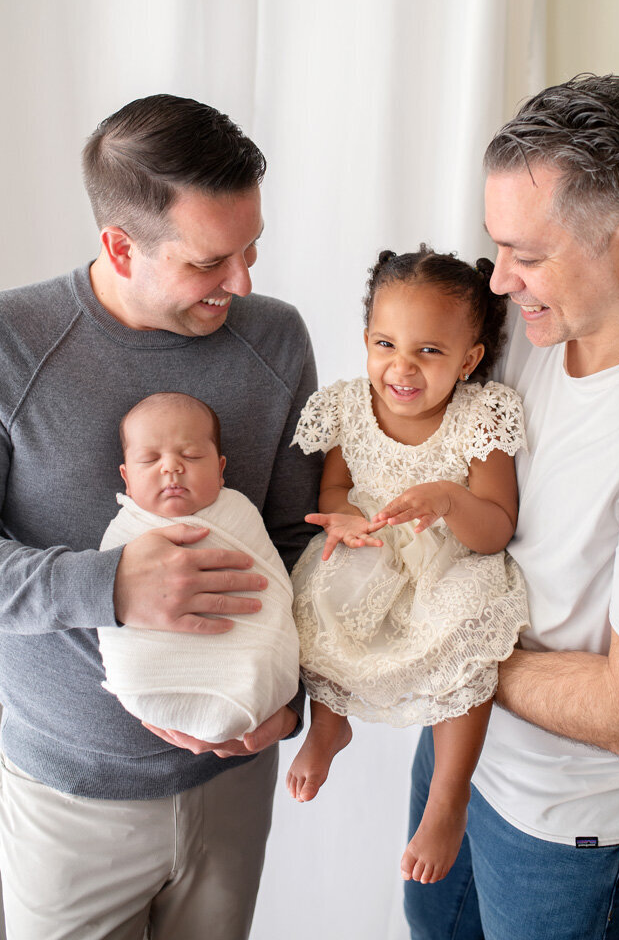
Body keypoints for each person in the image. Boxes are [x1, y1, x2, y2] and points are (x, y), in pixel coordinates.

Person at [0, 94, 320, 940]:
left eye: (252, 247)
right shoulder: (12, 346)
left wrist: (294, 711)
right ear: (119, 245)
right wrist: (112, 584)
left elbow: (304, 550)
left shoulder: (277, 339)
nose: (244, 281)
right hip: (69, 802)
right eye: (211, 260)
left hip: (233, 788)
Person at [405, 74, 619, 940]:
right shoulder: (525, 332)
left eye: (527, 254)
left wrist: (439, 648)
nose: (499, 280)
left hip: (568, 822)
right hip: (460, 751)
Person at [285, 247, 529, 884]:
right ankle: (328, 727)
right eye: (386, 343)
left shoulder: (480, 415)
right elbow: (334, 490)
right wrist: (345, 518)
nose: (403, 366)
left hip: (450, 557)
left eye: (429, 351)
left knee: (467, 636)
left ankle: (448, 797)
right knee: (322, 600)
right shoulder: (349, 406)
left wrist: (450, 499)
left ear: (468, 360)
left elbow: (496, 529)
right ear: (365, 339)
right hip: (375, 542)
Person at [97, 391, 299, 743]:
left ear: (221, 470)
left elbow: (277, 587)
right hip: (147, 683)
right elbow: (105, 599)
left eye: (190, 455)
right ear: (126, 477)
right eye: (149, 459)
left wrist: (290, 711)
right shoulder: (125, 528)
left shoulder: (238, 513)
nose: (171, 467)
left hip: (249, 679)